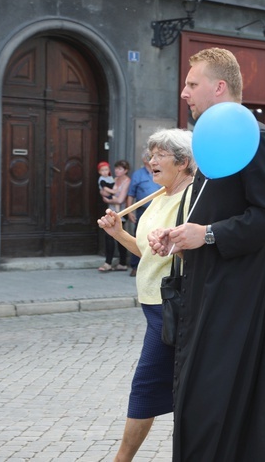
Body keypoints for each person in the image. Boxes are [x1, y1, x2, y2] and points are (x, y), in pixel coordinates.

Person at [148, 47, 265, 461]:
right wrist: (179, 235)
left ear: (219, 87)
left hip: (239, 294)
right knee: (200, 397)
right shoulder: (211, 136)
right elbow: (211, 208)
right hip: (205, 286)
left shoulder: (257, 137)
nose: (184, 92)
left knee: (217, 398)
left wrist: (210, 235)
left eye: (192, 83)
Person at [97, 129, 195, 461]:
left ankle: (121, 459)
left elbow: (197, 253)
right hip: (153, 303)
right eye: (150, 154)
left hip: (174, 305)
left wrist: (175, 244)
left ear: (182, 162)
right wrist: (119, 233)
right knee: (174, 385)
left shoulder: (193, 198)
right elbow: (145, 250)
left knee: (146, 384)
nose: (150, 161)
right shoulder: (157, 196)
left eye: (159, 155)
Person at [126, 151, 162, 277]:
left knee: (158, 237)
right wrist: (130, 211)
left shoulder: (161, 172)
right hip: (143, 211)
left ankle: (154, 266)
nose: (152, 160)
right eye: (149, 157)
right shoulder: (138, 174)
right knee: (139, 237)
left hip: (160, 210)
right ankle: (135, 266)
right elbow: (131, 194)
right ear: (144, 160)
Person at [99, 160, 132, 272]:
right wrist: (108, 196)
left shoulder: (127, 181)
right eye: (116, 168)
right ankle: (114, 262)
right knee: (110, 236)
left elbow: (120, 199)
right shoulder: (114, 179)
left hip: (121, 213)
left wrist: (110, 198)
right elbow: (103, 192)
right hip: (111, 212)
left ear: (125, 170)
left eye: (120, 169)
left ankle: (118, 263)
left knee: (118, 236)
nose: (117, 171)